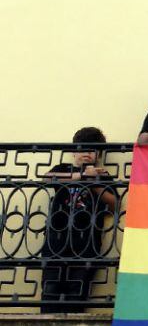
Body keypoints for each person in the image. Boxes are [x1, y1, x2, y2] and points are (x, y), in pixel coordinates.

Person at [41, 127, 117, 313]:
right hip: (56, 242)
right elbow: (47, 179)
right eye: (83, 149)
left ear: (98, 154)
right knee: (50, 291)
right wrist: (80, 176)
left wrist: (93, 182)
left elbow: (114, 203)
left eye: (92, 150)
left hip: (87, 244)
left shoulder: (102, 175)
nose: (87, 154)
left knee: (77, 295)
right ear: (74, 151)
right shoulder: (63, 169)